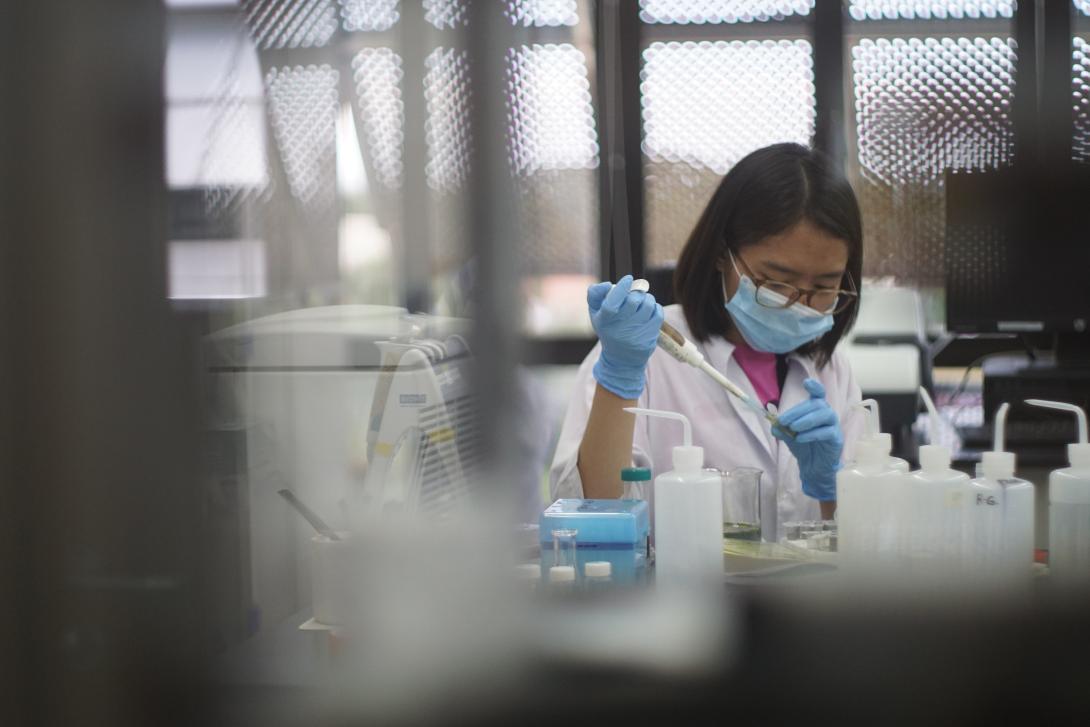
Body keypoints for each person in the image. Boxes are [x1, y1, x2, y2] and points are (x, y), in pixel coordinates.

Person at [549, 143, 865, 537]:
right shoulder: (644, 349)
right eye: (776, 282)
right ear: (722, 254)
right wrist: (619, 375)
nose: (798, 304)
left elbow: (866, 545)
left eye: (824, 285)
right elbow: (590, 516)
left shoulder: (832, 372)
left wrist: (832, 489)